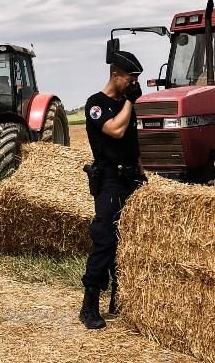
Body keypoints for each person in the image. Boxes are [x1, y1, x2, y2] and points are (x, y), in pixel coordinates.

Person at [79, 50, 146, 329]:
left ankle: (120, 298)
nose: (133, 83)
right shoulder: (96, 104)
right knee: (105, 239)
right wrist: (129, 103)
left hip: (131, 178)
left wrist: (142, 174)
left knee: (128, 240)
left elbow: (132, 142)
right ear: (116, 75)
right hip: (109, 181)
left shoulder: (126, 103)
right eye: (131, 78)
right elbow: (116, 130)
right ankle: (89, 305)